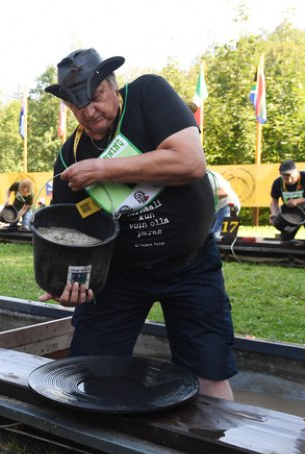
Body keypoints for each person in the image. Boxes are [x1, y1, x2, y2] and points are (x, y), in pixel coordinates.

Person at [43, 48, 235, 400]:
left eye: (96, 97)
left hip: (190, 267)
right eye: (76, 105)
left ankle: (215, 450)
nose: (88, 111)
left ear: (113, 85)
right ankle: (104, 449)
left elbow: (190, 162)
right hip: (118, 276)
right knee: (89, 370)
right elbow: (73, 234)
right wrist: (70, 281)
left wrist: (102, 169)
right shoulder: (69, 157)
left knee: (210, 373)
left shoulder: (148, 96)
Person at [269, 160, 305, 244]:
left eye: (291, 176)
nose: (289, 180)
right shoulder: (277, 183)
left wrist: (298, 201)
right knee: (285, 241)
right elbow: (274, 201)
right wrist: (274, 213)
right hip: (291, 215)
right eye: (285, 177)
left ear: (296, 172)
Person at [209, 169, 240, 240]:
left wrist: (203, 197)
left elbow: (224, 192)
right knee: (211, 238)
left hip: (230, 206)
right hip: (220, 208)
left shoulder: (210, 176)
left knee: (217, 238)